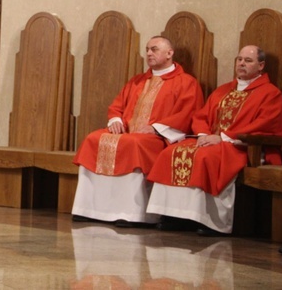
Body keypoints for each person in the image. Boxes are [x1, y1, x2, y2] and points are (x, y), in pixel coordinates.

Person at [146, 45, 282, 236]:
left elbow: (266, 124)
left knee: (206, 157)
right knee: (172, 152)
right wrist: (204, 134)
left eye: (248, 60)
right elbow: (201, 116)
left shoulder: (270, 93)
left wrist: (222, 137)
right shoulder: (223, 91)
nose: (241, 64)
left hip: (243, 146)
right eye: (239, 59)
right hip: (212, 141)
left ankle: (210, 220)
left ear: (261, 65)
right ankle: (175, 216)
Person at [72, 36, 203, 225]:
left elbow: (188, 113)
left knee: (132, 143)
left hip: (158, 138)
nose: (149, 53)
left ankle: (132, 213)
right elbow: (117, 105)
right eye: (147, 49)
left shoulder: (186, 83)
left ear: (169, 53)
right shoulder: (138, 81)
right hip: (129, 133)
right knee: (93, 139)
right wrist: (116, 119)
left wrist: (157, 127)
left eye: (155, 49)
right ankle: (88, 208)